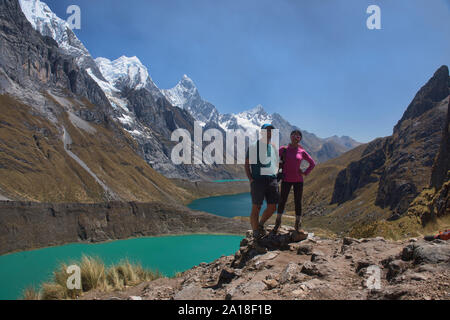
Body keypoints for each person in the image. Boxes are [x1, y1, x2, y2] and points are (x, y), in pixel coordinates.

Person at [273, 129, 316, 233]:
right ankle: (278, 222)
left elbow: (312, 163)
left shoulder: (302, 151)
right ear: (290, 136)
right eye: (294, 135)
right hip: (286, 179)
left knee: (298, 202)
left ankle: (297, 223)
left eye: (298, 136)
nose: (295, 137)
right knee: (282, 200)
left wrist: (305, 173)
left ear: (300, 139)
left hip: (298, 180)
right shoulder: (283, 149)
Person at [245, 124, 279, 240]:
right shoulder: (254, 146)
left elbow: (275, 162)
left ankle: (260, 224)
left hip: (272, 180)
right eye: (267, 130)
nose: (269, 132)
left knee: (272, 207)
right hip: (258, 181)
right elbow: (247, 164)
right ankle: (255, 233)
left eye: (271, 130)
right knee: (256, 207)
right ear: (261, 132)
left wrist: (276, 174)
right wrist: (251, 179)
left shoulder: (273, 147)